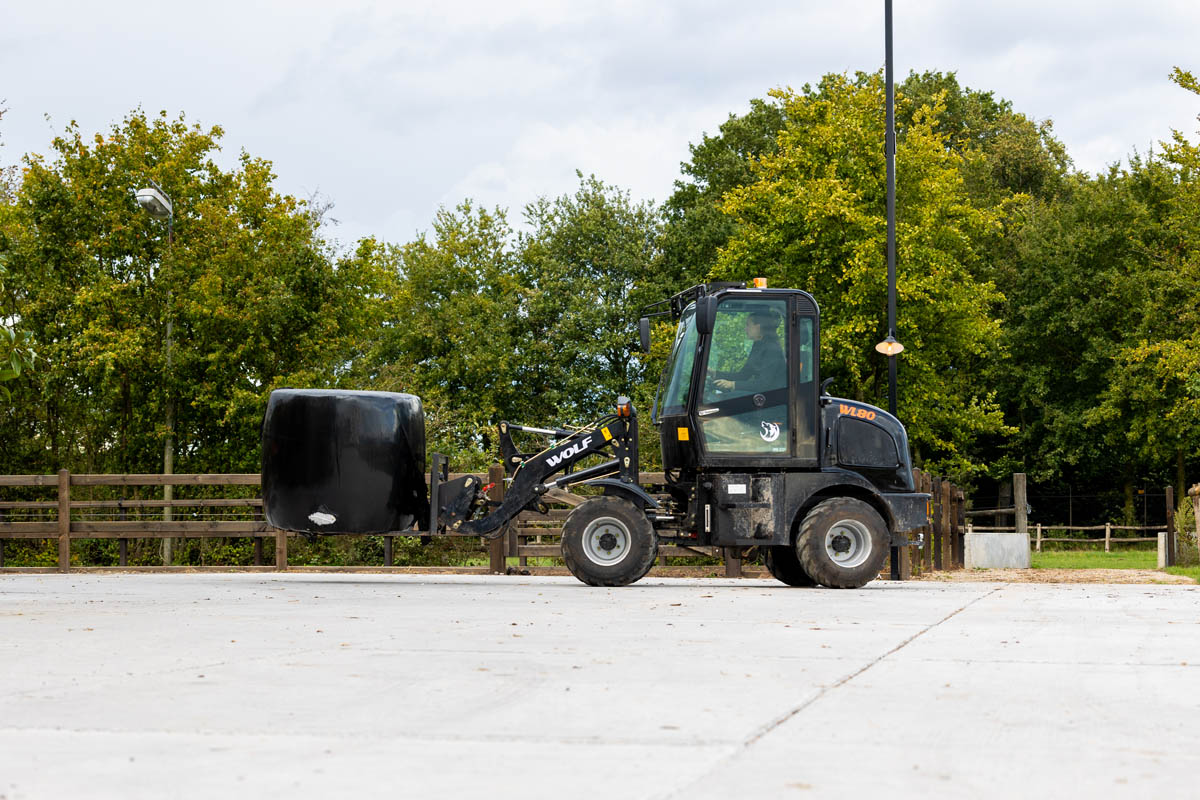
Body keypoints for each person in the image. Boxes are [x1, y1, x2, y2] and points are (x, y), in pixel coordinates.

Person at [710, 310, 786, 395]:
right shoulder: (758, 345)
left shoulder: (772, 349)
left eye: (748, 325)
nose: (745, 328)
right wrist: (715, 373)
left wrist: (732, 384)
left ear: (758, 327)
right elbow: (743, 375)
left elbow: (763, 384)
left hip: (772, 397)